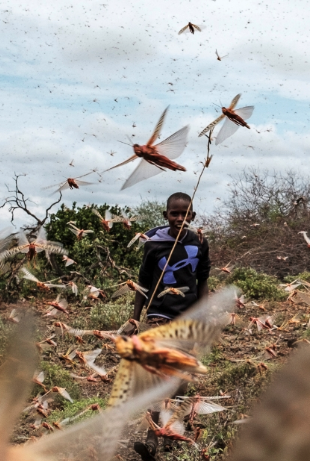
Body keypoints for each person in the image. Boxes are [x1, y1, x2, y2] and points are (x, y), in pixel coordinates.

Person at [132, 192, 210, 461]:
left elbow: (202, 281)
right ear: (165, 215)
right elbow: (142, 283)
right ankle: (151, 439)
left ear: (192, 216)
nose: (179, 218)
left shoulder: (199, 242)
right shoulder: (153, 245)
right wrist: (135, 317)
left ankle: (174, 426)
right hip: (158, 316)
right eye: (174, 213)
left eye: (184, 213)